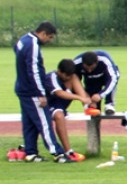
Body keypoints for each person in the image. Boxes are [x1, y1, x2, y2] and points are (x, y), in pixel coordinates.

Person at [13, 21, 66, 162]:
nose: (50, 41)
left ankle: (31, 153)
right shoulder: (33, 45)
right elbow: (34, 71)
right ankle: (57, 153)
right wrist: (40, 93)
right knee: (44, 122)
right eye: (50, 37)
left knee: (29, 123)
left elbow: (16, 50)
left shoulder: (23, 40)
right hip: (31, 91)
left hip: (22, 88)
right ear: (43, 33)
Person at [45, 59, 90, 160]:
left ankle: (87, 107)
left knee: (74, 78)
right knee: (59, 116)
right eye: (66, 75)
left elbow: (73, 80)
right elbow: (59, 93)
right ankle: (68, 151)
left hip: (60, 104)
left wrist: (85, 99)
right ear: (59, 71)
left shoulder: (70, 77)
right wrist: (80, 98)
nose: (68, 77)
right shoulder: (51, 77)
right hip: (49, 104)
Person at [73, 50, 120, 114]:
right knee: (93, 107)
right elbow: (74, 82)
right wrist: (86, 97)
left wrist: (100, 95)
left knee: (114, 79)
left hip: (106, 76)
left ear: (97, 62)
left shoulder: (105, 60)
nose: (89, 71)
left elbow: (113, 79)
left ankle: (109, 104)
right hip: (90, 80)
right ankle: (92, 108)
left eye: (92, 68)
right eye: (87, 68)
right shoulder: (76, 63)